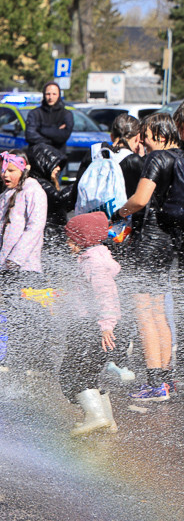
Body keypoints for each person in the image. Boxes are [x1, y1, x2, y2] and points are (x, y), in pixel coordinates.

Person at [113, 113, 181, 399]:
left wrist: (119, 213)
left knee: (144, 312)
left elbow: (141, 200)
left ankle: (154, 383)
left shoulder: (157, 159)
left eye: (147, 136)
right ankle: (165, 379)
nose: (142, 140)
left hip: (149, 241)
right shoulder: (181, 158)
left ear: (161, 137)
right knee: (158, 311)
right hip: (169, 243)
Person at [0, 150, 48, 371]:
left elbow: (35, 227)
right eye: (3, 170)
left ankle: (27, 360)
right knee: (14, 313)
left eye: (11, 170)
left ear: (24, 169)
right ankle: (15, 358)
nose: (5, 175)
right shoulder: (6, 194)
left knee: (26, 315)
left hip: (26, 268)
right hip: (6, 267)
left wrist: (16, 258)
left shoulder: (34, 191)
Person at [58, 212, 121, 436]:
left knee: (71, 373)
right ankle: (107, 421)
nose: (68, 243)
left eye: (72, 239)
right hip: (93, 325)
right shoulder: (96, 256)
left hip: (91, 327)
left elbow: (106, 295)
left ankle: (96, 416)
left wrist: (106, 325)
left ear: (84, 239)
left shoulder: (92, 263)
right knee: (90, 373)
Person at [26, 143, 77, 273]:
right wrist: (78, 184)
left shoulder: (44, 183)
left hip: (53, 236)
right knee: (51, 276)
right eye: (55, 164)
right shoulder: (39, 184)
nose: (58, 168)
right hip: (48, 238)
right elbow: (59, 199)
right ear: (43, 163)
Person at [25, 82, 73, 153]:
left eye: (54, 94)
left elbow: (63, 136)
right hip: (37, 156)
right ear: (44, 95)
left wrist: (41, 129)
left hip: (58, 158)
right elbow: (30, 136)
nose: (51, 97)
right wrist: (54, 133)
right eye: (48, 94)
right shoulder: (34, 113)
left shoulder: (66, 114)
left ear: (59, 95)